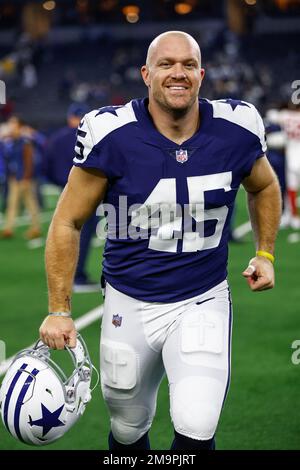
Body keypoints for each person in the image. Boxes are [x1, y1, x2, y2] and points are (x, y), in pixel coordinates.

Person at [39, 31, 282, 450]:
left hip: (201, 298)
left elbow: (264, 186)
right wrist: (59, 310)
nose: (178, 73)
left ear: (202, 74)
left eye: (188, 65)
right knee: (128, 428)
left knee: (197, 422)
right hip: (128, 301)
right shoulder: (110, 132)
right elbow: (67, 222)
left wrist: (265, 252)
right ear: (145, 74)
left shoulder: (237, 127)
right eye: (167, 64)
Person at [45, 103, 100, 292]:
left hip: (63, 188)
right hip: (84, 191)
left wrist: (58, 183)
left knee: (62, 229)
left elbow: (46, 164)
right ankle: (78, 276)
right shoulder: (90, 136)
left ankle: (64, 276)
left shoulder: (56, 138)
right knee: (82, 233)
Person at [0, 115, 41, 239]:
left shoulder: (25, 141)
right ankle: (9, 228)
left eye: (14, 124)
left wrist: (26, 177)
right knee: (12, 203)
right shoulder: (11, 141)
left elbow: (29, 161)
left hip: (24, 178)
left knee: (30, 203)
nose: (11, 126)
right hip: (14, 177)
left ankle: (35, 228)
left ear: (20, 126)